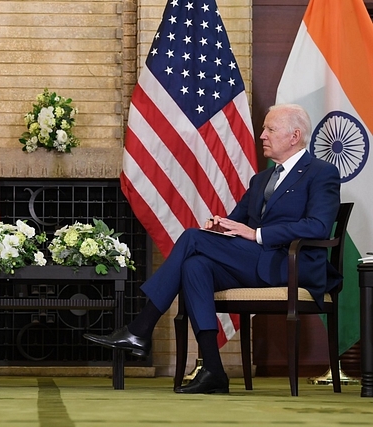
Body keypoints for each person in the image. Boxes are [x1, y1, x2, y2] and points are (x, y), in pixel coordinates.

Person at [84, 104, 341, 394]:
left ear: (295, 136)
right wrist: (220, 225)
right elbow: (236, 222)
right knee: (195, 266)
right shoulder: (262, 180)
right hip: (257, 262)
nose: (262, 135)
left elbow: (318, 226)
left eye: (270, 129)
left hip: (293, 265)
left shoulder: (321, 173)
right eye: (264, 128)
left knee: (193, 239)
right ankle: (213, 370)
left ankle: (142, 327)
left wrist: (257, 233)